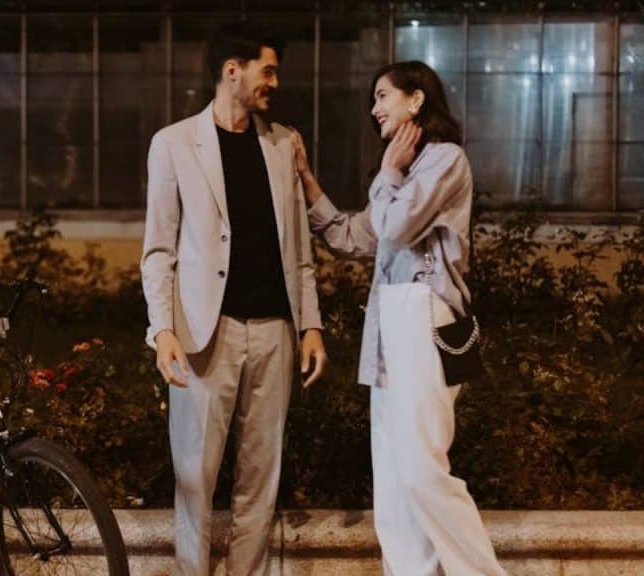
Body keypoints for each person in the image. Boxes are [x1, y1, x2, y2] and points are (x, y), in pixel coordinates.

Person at [290, 60, 507, 575]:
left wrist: (388, 173)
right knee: (391, 483)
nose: (374, 107)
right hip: (389, 323)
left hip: (423, 315)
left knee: (421, 472)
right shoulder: (403, 176)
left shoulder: (444, 161)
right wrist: (305, 177)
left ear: (416, 100)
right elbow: (350, 235)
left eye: (383, 95)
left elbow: (396, 225)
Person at [140, 22, 328, 576]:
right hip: (207, 334)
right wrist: (163, 330)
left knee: (259, 483)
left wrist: (310, 325)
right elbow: (157, 251)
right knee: (195, 477)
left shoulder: (282, 143)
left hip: (275, 333)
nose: (275, 81)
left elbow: (300, 250)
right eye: (267, 70)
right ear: (232, 70)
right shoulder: (173, 144)